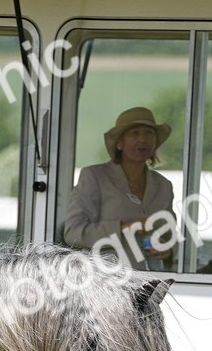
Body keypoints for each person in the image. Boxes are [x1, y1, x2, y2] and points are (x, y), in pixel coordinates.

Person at [64, 106, 176, 269]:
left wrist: (168, 251)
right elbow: (73, 233)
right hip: (105, 279)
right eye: (135, 133)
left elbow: (170, 237)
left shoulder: (164, 185)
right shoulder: (95, 177)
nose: (143, 139)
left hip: (153, 279)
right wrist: (123, 228)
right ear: (119, 143)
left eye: (149, 133)